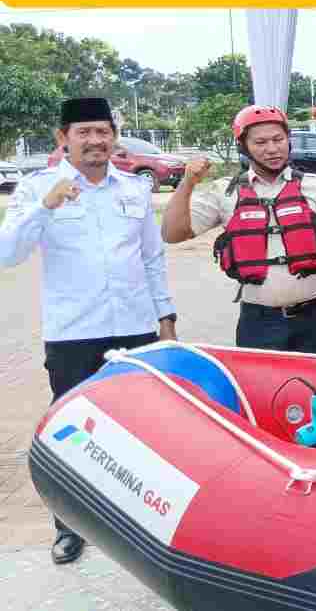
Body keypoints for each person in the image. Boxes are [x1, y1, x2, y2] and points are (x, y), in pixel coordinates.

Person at [0, 97, 176, 565]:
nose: (96, 140)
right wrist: (45, 204)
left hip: (136, 331)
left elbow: (152, 259)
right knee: (73, 432)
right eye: (84, 132)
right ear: (63, 139)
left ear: (113, 137)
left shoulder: (135, 189)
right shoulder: (39, 187)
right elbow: (7, 252)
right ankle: (69, 527)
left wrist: (167, 319)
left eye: (103, 131)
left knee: (142, 430)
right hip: (73, 334)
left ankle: (140, 526)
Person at [162, 105, 316, 353]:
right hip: (258, 322)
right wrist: (188, 183)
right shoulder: (225, 192)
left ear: (288, 140)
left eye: (278, 139)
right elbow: (172, 234)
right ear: (244, 147)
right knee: (264, 392)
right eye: (260, 142)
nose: (271, 149)